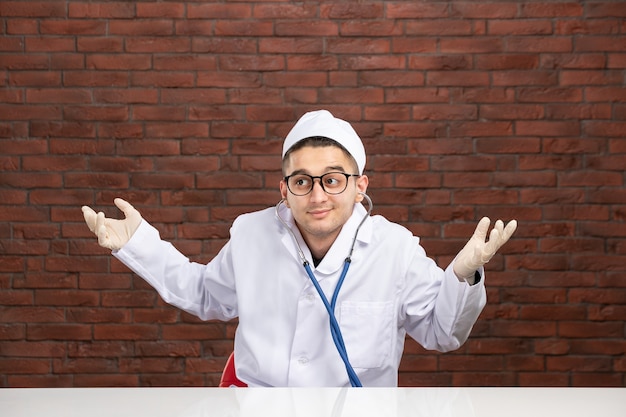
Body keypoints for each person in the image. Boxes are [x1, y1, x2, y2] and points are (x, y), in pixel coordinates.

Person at [82, 109, 517, 387]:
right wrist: (140, 244)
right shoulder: (252, 234)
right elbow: (204, 295)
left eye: (332, 179)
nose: (318, 196)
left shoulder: (395, 248)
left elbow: (443, 333)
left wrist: (462, 274)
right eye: (302, 181)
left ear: (360, 184)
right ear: (284, 190)